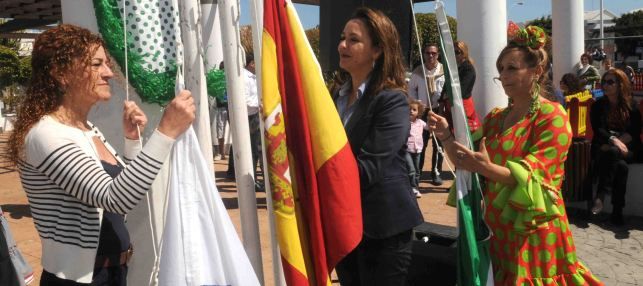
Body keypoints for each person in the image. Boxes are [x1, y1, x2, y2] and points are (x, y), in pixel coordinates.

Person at [6, 24, 195, 285]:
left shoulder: (85, 128)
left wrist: (132, 142)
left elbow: (126, 186)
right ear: (61, 73)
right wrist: (166, 131)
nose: (108, 73)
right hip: (80, 278)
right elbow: (116, 199)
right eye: (97, 64)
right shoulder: (47, 134)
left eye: (106, 64)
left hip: (113, 273)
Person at [428, 24, 602, 284]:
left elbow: (532, 176)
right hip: (498, 231)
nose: (504, 76)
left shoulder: (552, 116)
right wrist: (445, 135)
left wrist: (485, 168)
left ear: (537, 71)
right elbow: (465, 162)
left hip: (534, 233)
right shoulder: (496, 118)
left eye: (512, 68)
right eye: (501, 69)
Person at [333, 7, 423, 285]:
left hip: (383, 228)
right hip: (345, 224)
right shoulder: (336, 95)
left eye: (354, 39)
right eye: (343, 37)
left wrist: (321, 184)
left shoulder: (392, 100)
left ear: (377, 50)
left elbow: (369, 166)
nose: (342, 45)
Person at [589, 69, 641, 225]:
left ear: (620, 84)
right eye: (604, 82)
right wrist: (613, 141)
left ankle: (601, 194)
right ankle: (617, 212)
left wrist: (618, 143)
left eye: (610, 82)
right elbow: (599, 129)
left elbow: (635, 129)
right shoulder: (598, 106)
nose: (605, 85)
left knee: (613, 152)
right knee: (621, 167)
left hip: (628, 148)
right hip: (607, 147)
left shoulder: (632, 105)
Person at [408, 43, 446, 185]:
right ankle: (417, 174)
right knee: (420, 142)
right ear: (424, 54)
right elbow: (411, 89)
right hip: (423, 112)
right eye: (428, 53)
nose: (431, 56)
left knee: (439, 144)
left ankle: (436, 172)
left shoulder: (444, 71)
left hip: (438, 111)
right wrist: (417, 104)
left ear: (438, 54)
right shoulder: (418, 72)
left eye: (434, 53)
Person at [406, 100, 429, 198]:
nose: (411, 111)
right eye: (409, 109)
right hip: (407, 149)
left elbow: (429, 128)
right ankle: (412, 187)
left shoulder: (421, 123)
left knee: (417, 170)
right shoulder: (405, 122)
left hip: (418, 150)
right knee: (411, 170)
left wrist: (432, 120)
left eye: (414, 110)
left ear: (418, 112)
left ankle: (415, 188)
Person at [213, 61, 229, 160]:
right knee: (220, 131)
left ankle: (223, 153)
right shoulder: (217, 80)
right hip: (221, 107)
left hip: (230, 107)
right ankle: (221, 153)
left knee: (232, 130)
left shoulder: (230, 79)